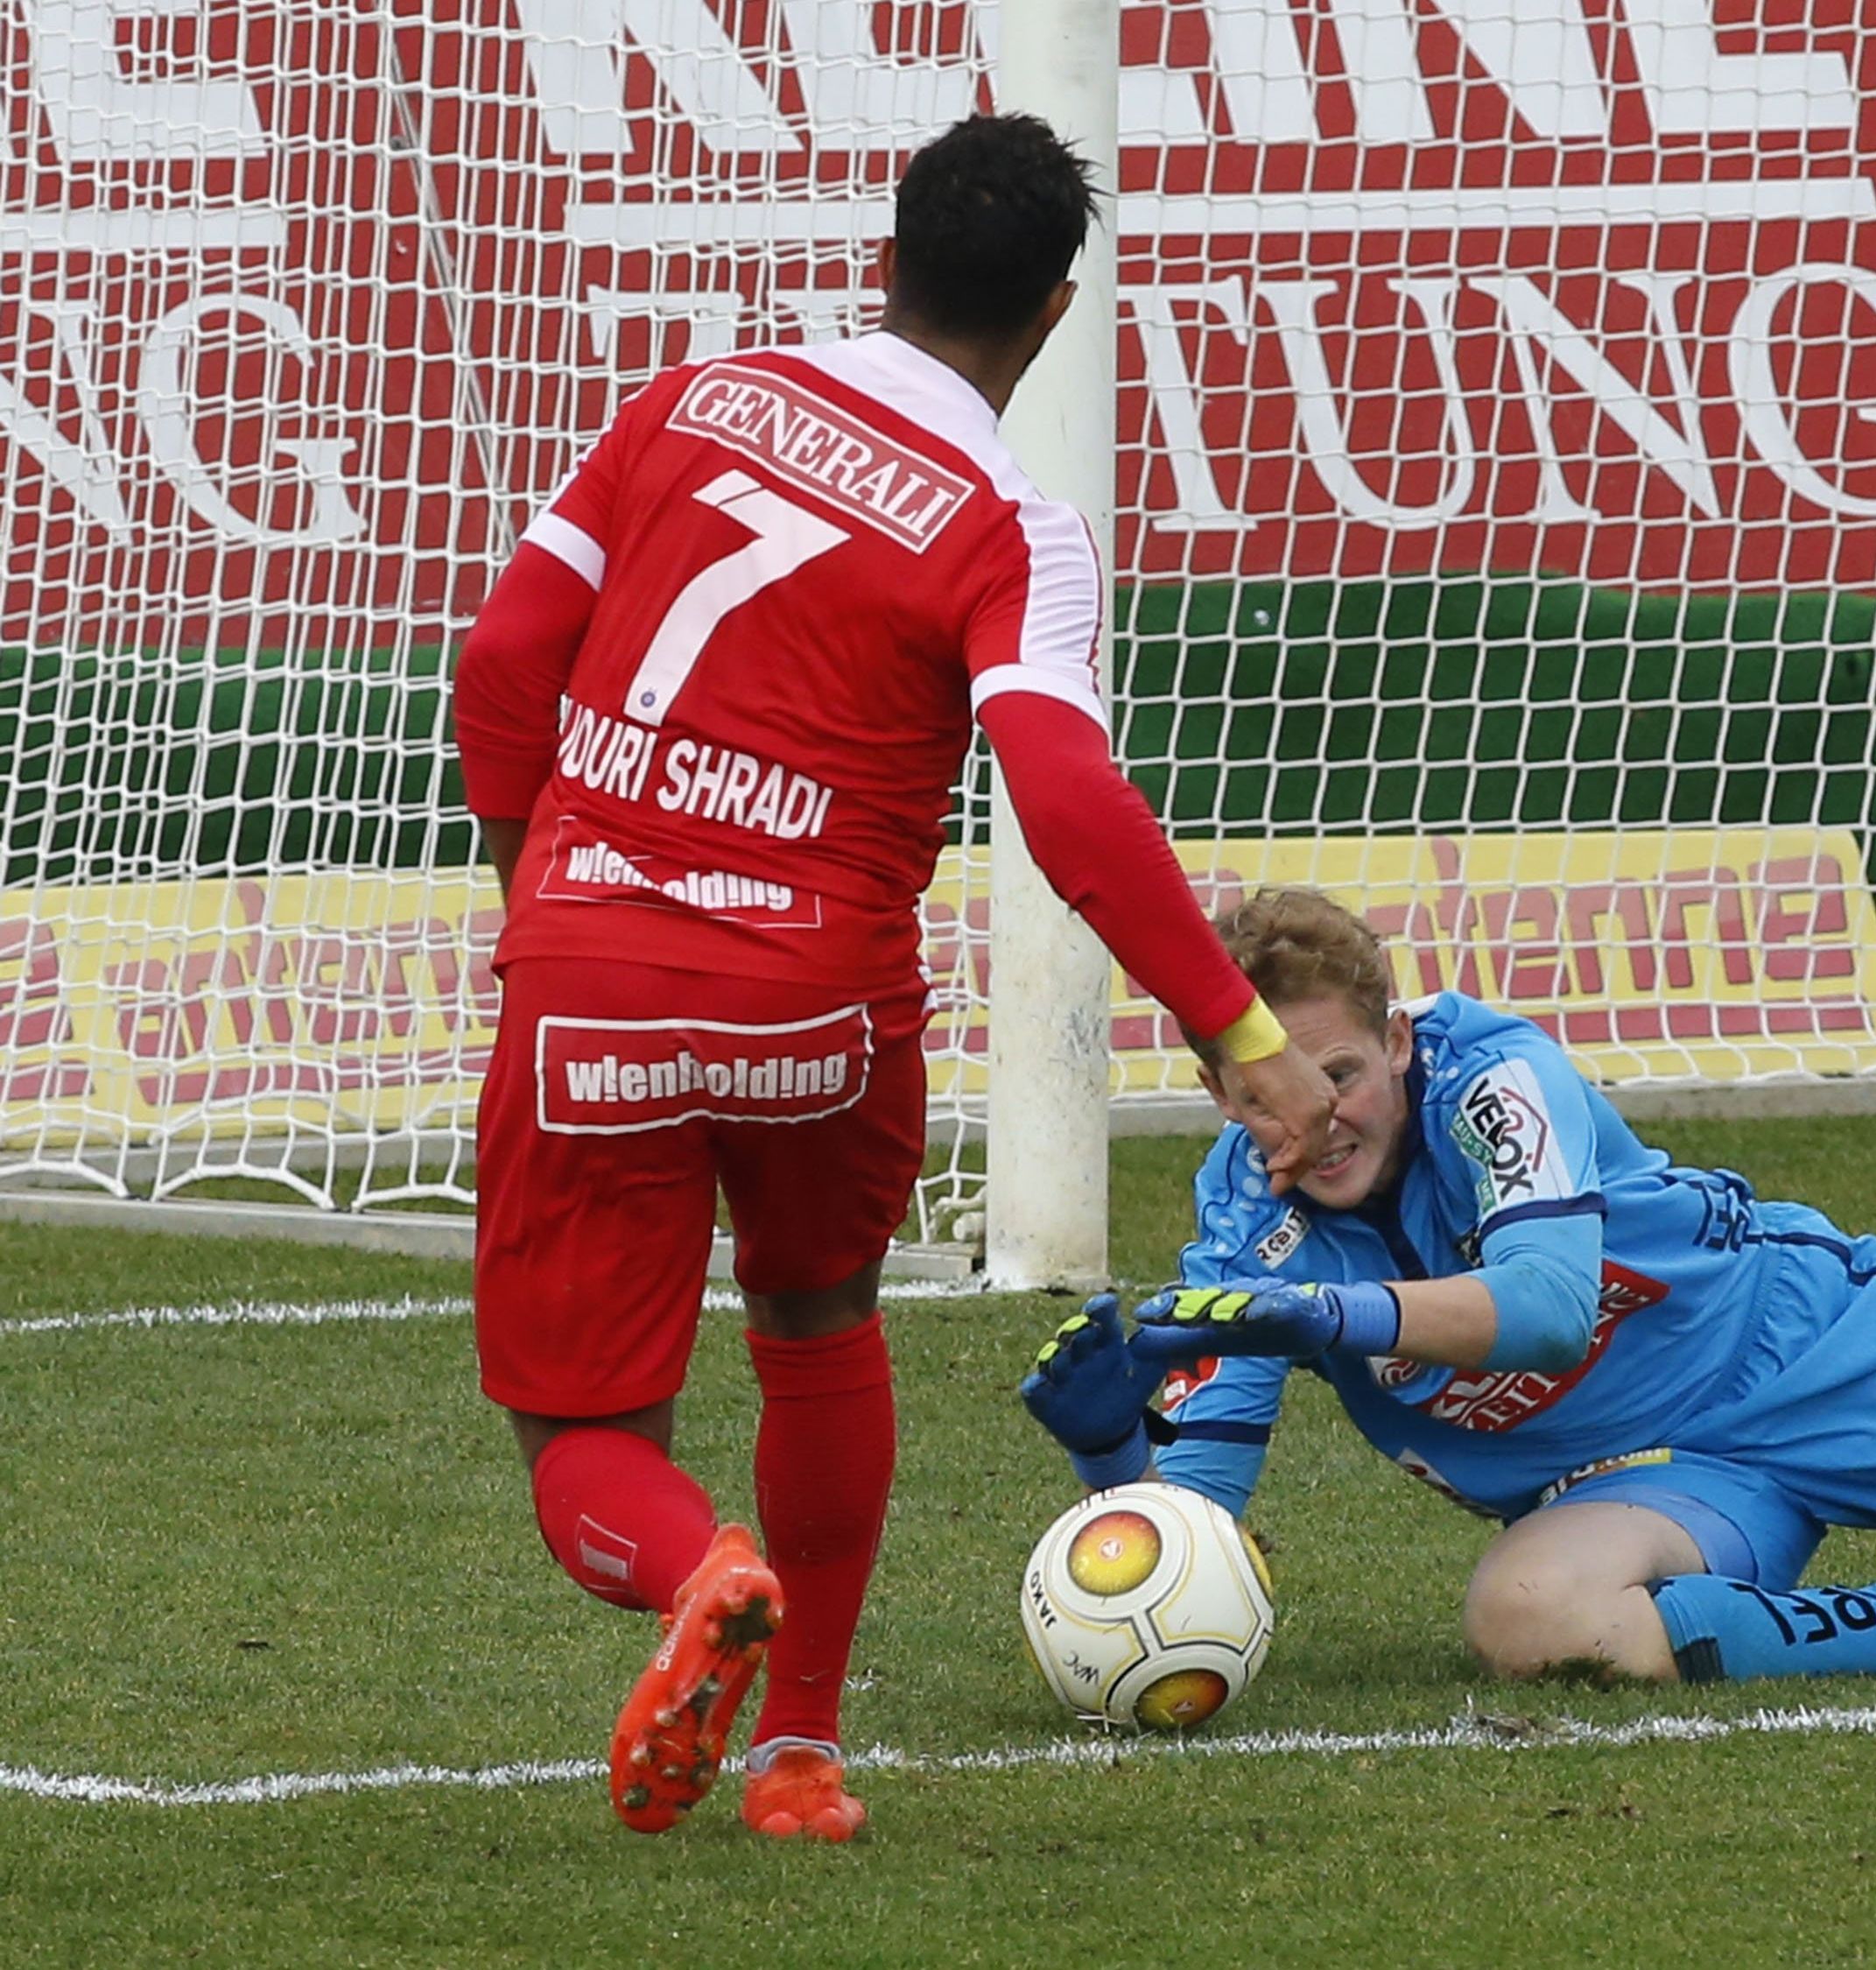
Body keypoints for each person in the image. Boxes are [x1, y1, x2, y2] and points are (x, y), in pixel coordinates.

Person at [450, 115, 1333, 1841]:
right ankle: (798, 1759)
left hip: (595, 969)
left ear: (887, 258)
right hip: (817, 1007)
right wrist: (1234, 1035)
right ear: (1058, 309)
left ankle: (702, 1568)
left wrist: (537, 887)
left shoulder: (691, 398)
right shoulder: (1016, 522)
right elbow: (1065, 800)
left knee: (581, 1435)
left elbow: (503, 657)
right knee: (817, 1322)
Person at [1019, 886, 1876, 1686]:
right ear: (1214, 1089)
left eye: (1344, 1074)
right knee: (1530, 1621)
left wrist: (1333, 1318)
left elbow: (1552, 1301)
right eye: (1269, 1090)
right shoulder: (1239, 1219)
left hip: (1815, 1352)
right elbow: (1194, 1521)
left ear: (1397, 1039)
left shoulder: (1494, 1074)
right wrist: (1106, 1444)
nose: (1315, 1117)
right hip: (1652, 1476)